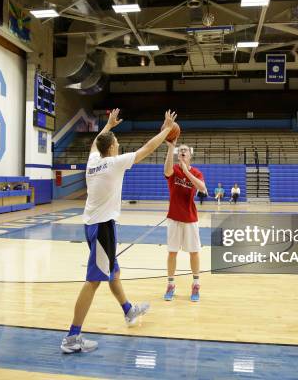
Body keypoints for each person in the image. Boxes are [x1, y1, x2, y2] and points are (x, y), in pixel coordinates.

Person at [61, 109, 178, 354]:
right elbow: (146, 148)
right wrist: (167, 130)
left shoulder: (93, 161)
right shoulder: (114, 163)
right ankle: (72, 336)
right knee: (93, 281)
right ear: (112, 148)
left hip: (91, 224)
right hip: (103, 228)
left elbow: (96, 142)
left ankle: (128, 311)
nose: (118, 143)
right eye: (116, 142)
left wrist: (108, 126)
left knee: (113, 272)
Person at [163, 142, 207, 302]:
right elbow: (166, 171)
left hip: (190, 218)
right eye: (180, 150)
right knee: (172, 252)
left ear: (190, 155)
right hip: (174, 217)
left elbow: (202, 188)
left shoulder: (196, 172)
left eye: (185, 151)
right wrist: (170, 147)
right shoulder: (174, 170)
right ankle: (170, 284)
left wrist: (187, 172)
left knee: (194, 252)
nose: (182, 152)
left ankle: (196, 284)